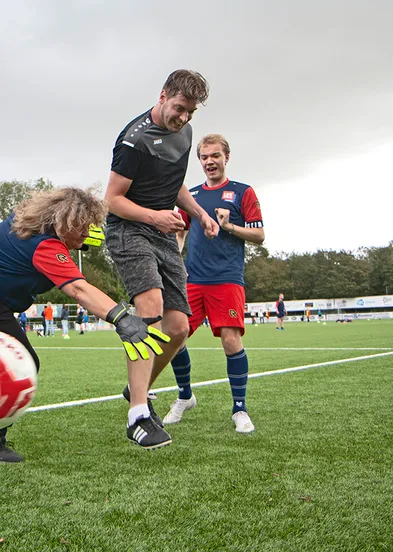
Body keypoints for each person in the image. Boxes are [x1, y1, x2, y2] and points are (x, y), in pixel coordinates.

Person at [0, 188, 169, 466]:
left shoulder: (26, 220)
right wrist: (121, 318)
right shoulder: (44, 245)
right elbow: (78, 289)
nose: (87, 235)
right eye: (84, 228)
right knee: (18, 363)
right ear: (66, 222)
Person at [104, 69, 218, 448]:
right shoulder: (133, 141)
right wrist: (155, 216)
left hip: (163, 231)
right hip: (129, 229)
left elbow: (175, 184)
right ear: (163, 95)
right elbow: (113, 199)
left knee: (179, 327)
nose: (183, 118)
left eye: (190, 113)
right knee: (149, 306)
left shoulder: (183, 133)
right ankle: (138, 415)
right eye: (179, 108)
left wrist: (200, 214)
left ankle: (137, 388)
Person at [167, 134, 264, 432]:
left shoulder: (243, 192)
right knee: (175, 338)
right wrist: (174, 260)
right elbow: (180, 231)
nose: (210, 161)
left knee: (231, 341)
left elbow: (259, 236)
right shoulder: (190, 194)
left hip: (227, 279)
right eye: (204, 157)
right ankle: (185, 396)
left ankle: (239, 409)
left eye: (215, 156)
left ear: (226, 158)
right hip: (192, 279)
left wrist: (228, 226)